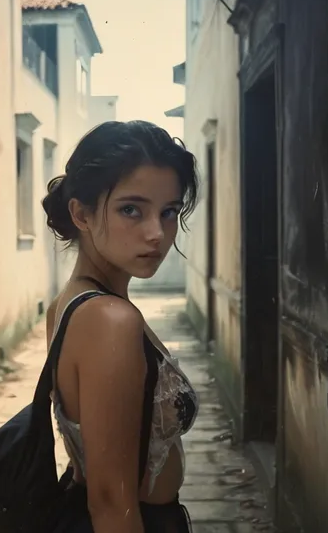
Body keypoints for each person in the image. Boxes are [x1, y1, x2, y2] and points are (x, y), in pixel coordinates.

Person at [42, 120, 200, 533]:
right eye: (131, 209)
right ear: (81, 213)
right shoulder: (110, 321)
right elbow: (111, 500)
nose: (157, 234)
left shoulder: (67, 304)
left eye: (169, 211)